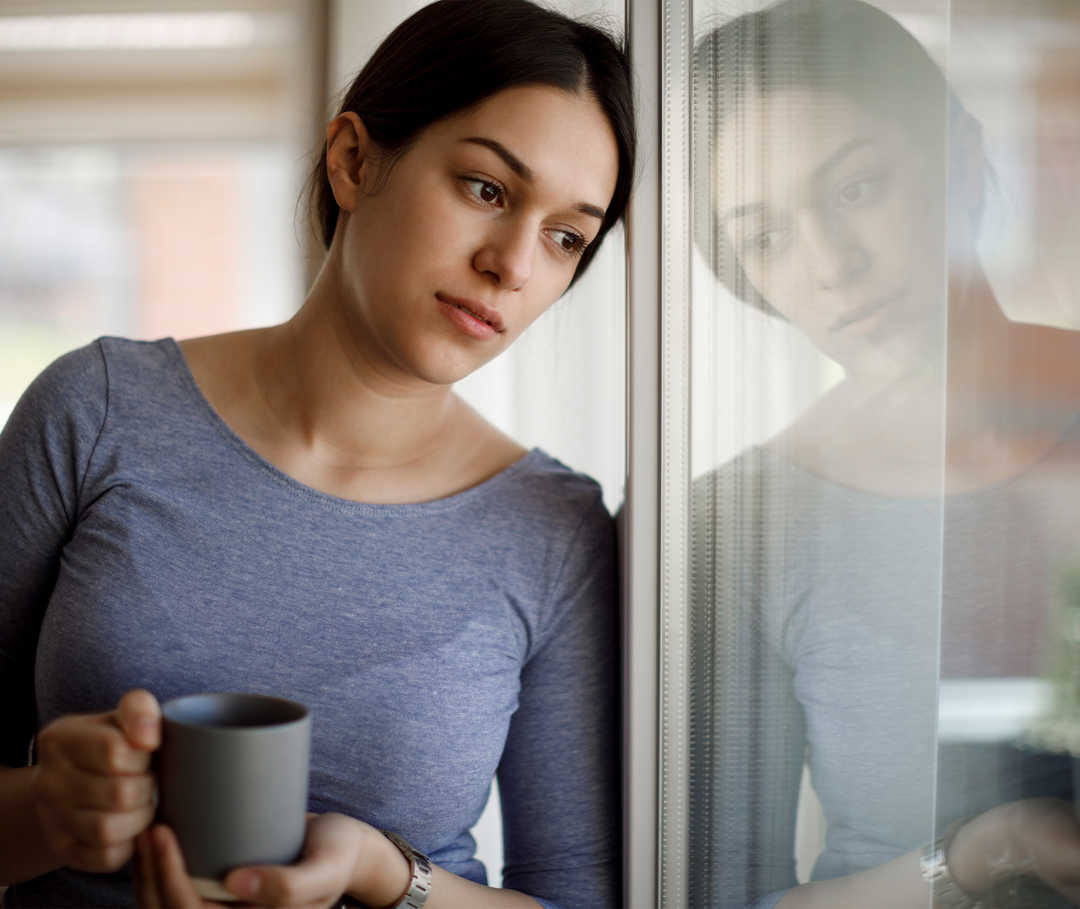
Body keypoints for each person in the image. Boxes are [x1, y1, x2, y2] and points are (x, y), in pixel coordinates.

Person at [0, 1, 635, 907]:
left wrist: (387, 873)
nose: (514, 265)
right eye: (487, 189)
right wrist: (45, 811)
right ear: (353, 160)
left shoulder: (556, 529)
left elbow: (578, 897)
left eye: (565, 236)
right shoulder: (96, 411)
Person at [689, 1, 1080, 906]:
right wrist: (983, 855)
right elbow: (722, 897)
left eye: (858, 188)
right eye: (767, 237)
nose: (833, 265)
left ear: (962, 159)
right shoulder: (734, 526)